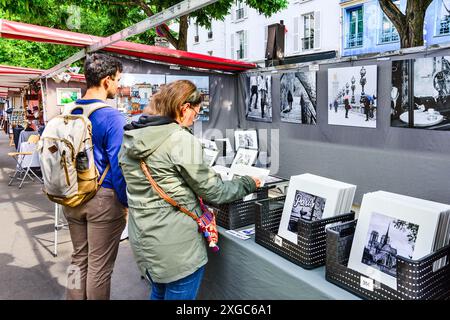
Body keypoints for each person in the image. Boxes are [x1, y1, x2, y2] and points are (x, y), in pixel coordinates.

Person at [119, 80, 261, 300]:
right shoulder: (179, 139)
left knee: (158, 291)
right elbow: (214, 192)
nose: (196, 116)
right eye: (197, 110)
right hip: (176, 246)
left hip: (144, 238)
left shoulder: (131, 137)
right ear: (184, 108)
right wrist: (248, 183)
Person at [62, 53, 128, 300]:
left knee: (78, 258)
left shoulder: (69, 110)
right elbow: (119, 166)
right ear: (106, 80)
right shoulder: (113, 117)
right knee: (99, 267)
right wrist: (125, 202)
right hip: (103, 199)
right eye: (118, 79)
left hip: (71, 195)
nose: (118, 85)